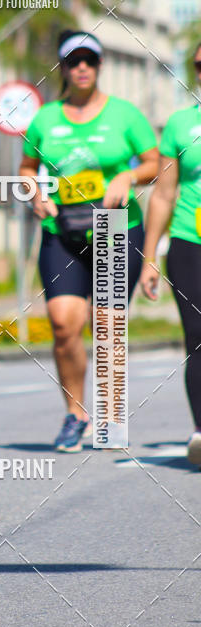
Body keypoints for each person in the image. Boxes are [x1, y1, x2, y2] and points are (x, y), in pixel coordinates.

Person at [20, 30, 159, 453]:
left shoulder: (125, 115)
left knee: (107, 327)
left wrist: (127, 175)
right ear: (62, 68)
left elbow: (154, 163)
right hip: (62, 230)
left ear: (100, 66)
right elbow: (26, 169)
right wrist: (35, 194)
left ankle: (111, 415)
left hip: (115, 229)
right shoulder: (45, 118)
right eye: (73, 61)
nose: (82, 68)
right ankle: (75, 415)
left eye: (90, 61)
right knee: (64, 325)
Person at [140, 43, 201, 466]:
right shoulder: (180, 124)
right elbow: (163, 193)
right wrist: (149, 257)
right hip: (189, 243)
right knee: (197, 340)